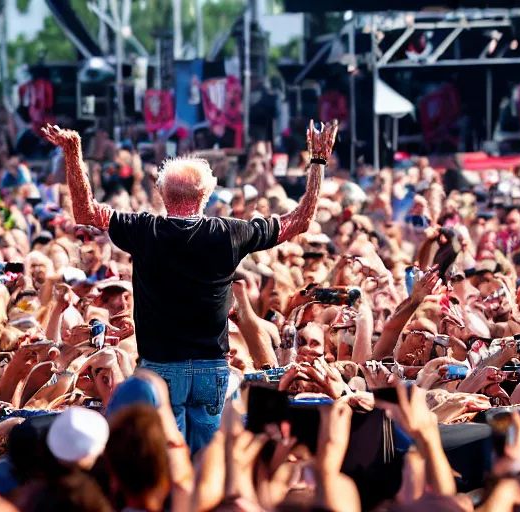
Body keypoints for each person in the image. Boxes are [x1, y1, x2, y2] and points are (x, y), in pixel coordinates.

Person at [41, 120, 338, 453]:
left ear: (161, 193)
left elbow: (84, 211)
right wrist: (318, 161)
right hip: (212, 368)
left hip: (160, 368)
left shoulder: (143, 229)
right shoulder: (229, 232)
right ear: (206, 195)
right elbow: (300, 221)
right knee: (207, 464)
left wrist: (73, 150)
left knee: (169, 461)